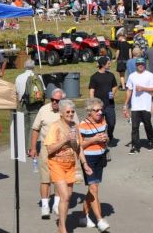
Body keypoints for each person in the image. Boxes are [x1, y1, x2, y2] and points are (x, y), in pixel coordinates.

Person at [30, 88, 80, 218]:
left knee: (60, 180)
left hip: (65, 152)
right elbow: (35, 129)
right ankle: (45, 206)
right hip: (47, 150)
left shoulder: (69, 112)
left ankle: (57, 204)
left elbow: (78, 129)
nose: (54, 102)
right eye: (52, 100)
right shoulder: (44, 110)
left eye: (57, 101)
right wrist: (33, 148)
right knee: (45, 179)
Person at [44, 99, 92, 233]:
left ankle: (61, 226)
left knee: (67, 197)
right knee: (64, 196)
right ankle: (63, 228)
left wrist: (85, 164)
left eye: (72, 111)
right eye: (68, 112)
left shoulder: (75, 126)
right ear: (61, 113)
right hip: (56, 164)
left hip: (71, 165)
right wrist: (65, 140)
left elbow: (79, 147)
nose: (70, 114)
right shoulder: (55, 126)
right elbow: (49, 149)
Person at [78, 98, 110, 232]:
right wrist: (93, 139)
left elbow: (107, 136)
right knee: (94, 188)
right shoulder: (82, 125)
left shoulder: (103, 121)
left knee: (93, 188)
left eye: (101, 110)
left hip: (101, 157)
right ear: (89, 112)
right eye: (96, 110)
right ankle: (100, 219)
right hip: (88, 159)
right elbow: (79, 146)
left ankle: (83, 216)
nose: (100, 112)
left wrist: (105, 139)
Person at [124, 58, 153, 154]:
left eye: (142, 64)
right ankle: (135, 146)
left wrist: (143, 88)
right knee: (134, 127)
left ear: (144, 64)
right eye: (138, 64)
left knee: (148, 125)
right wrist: (125, 104)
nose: (140, 65)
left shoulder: (150, 75)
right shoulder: (132, 76)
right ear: (136, 65)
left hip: (146, 105)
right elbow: (129, 90)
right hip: (135, 106)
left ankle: (151, 141)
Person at [15, 59, 45, 151]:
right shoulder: (38, 77)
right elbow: (43, 91)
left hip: (23, 103)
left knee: (25, 126)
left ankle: (24, 147)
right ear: (33, 67)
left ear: (25, 66)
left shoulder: (19, 77)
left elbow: (16, 92)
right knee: (33, 126)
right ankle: (30, 148)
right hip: (35, 104)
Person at [89, 57, 118, 144]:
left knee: (112, 123)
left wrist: (113, 93)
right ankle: (101, 139)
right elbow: (91, 90)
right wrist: (92, 104)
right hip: (99, 105)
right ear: (103, 64)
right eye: (108, 63)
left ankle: (110, 135)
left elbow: (115, 86)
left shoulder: (111, 75)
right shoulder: (94, 77)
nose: (110, 65)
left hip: (109, 104)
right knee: (99, 124)